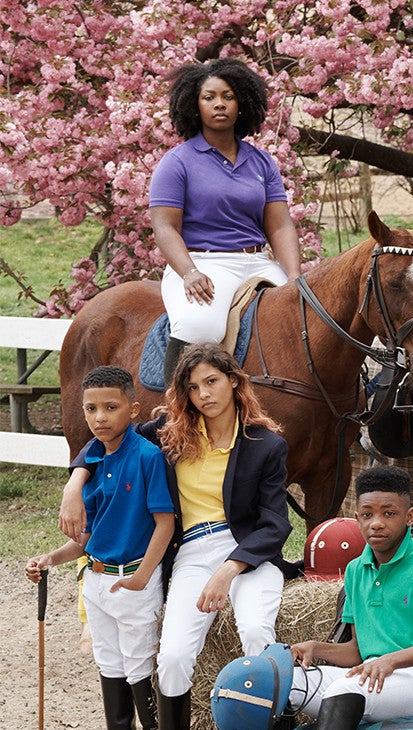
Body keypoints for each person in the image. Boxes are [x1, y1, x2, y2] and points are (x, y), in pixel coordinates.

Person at [61, 344, 292, 729]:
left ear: (234, 382)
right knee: (171, 659)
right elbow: (114, 434)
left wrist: (228, 570)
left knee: (255, 631)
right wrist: (76, 480)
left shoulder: (265, 445)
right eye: (194, 386)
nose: (204, 394)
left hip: (247, 553)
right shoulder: (172, 434)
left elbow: (275, 524)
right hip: (191, 553)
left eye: (212, 382)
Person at [27, 366, 175, 730]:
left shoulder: (146, 457)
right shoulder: (93, 460)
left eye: (111, 407)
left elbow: (165, 524)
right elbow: (87, 539)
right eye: (91, 409)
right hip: (95, 582)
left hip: (134, 581)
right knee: (109, 665)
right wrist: (51, 558)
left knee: (140, 667)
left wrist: (142, 577)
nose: (99, 417)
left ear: (134, 409)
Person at [151, 58, 301, 383]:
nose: (219, 104)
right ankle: (174, 410)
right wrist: (189, 273)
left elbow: (279, 225)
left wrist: (293, 275)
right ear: (194, 104)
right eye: (209, 97)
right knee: (200, 326)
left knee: (302, 316)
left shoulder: (261, 161)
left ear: (242, 103)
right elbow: (165, 227)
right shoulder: (177, 162)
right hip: (204, 264)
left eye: (228, 96)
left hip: (258, 262)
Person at [288, 465, 413, 727]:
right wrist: (315, 647)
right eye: (367, 514)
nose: (377, 523)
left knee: (345, 690)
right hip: (370, 672)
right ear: (357, 518)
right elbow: (357, 651)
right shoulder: (355, 570)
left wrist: (390, 660)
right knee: (282, 683)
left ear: (409, 517)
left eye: (389, 513)